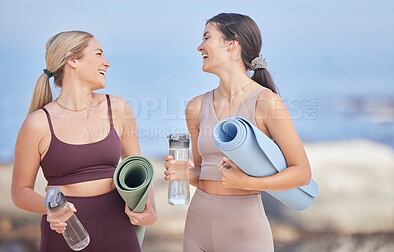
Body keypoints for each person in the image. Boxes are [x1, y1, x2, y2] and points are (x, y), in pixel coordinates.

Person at [164, 13, 312, 252]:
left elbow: (302, 173)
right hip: (197, 225)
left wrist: (247, 182)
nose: (199, 46)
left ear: (232, 44)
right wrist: (185, 173)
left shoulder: (266, 102)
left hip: (245, 229)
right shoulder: (195, 107)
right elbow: (204, 173)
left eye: (207, 37)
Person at [11, 31, 157, 252]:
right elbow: (20, 192)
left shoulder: (118, 109)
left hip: (120, 228)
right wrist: (50, 207)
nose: (106, 63)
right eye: (98, 54)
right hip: (66, 233)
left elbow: (139, 169)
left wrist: (151, 210)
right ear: (73, 60)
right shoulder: (38, 123)